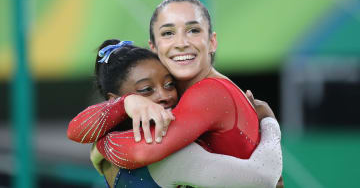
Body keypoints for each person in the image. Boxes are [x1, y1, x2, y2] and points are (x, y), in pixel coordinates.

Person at [68, 39, 282, 187]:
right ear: (115, 99)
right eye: (145, 90)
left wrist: (124, 107)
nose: (164, 95)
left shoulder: (104, 140)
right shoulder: (170, 155)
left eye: (169, 84)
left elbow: (78, 130)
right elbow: (262, 179)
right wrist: (268, 120)